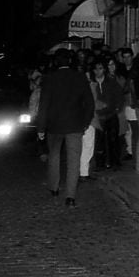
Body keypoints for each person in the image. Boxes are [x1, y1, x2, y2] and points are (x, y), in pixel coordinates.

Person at [37, 48, 95, 207]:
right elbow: (89, 103)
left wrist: (41, 127)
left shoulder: (49, 79)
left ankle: (54, 187)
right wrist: (85, 122)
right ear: (70, 61)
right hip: (75, 124)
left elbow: (43, 105)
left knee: (54, 156)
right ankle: (70, 195)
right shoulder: (80, 77)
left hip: (54, 125)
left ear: (56, 62)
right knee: (74, 160)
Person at [90, 58, 125, 170]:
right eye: (96, 69)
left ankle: (114, 161)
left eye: (100, 69)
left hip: (110, 114)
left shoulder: (111, 82)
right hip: (98, 116)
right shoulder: (91, 83)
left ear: (104, 69)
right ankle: (100, 162)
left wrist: (116, 109)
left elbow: (119, 96)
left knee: (113, 139)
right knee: (99, 140)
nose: (98, 71)